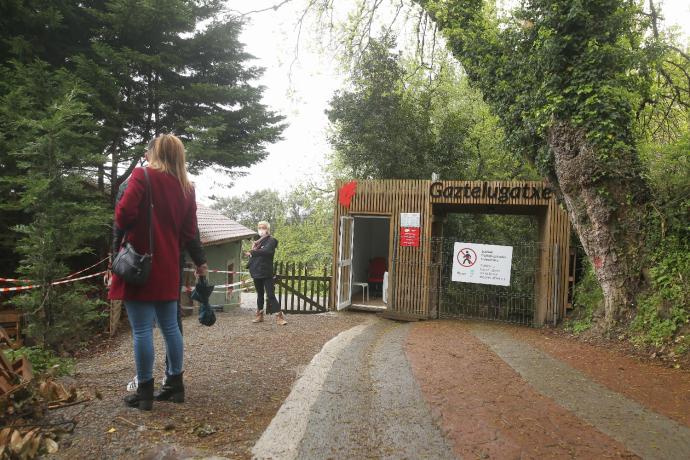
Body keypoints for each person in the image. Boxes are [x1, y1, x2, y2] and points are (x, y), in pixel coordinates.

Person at [109, 134, 204, 411]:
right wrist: (198, 260)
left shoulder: (142, 176)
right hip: (168, 267)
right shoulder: (187, 187)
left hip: (140, 264)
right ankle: (175, 386)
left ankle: (145, 393)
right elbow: (188, 232)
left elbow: (123, 215)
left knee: (141, 331)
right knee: (171, 327)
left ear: (154, 152)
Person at [246, 221, 287, 325]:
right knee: (260, 294)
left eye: (263, 227)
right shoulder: (257, 242)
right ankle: (259, 315)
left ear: (267, 229)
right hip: (256, 272)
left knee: (270, 295)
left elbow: (267, 251)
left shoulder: (271, 240)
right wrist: (249, 263)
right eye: (259, 227)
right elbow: (254, 257)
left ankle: (279, 317)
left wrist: (252, 252)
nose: (261, 229)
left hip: (266, 272)